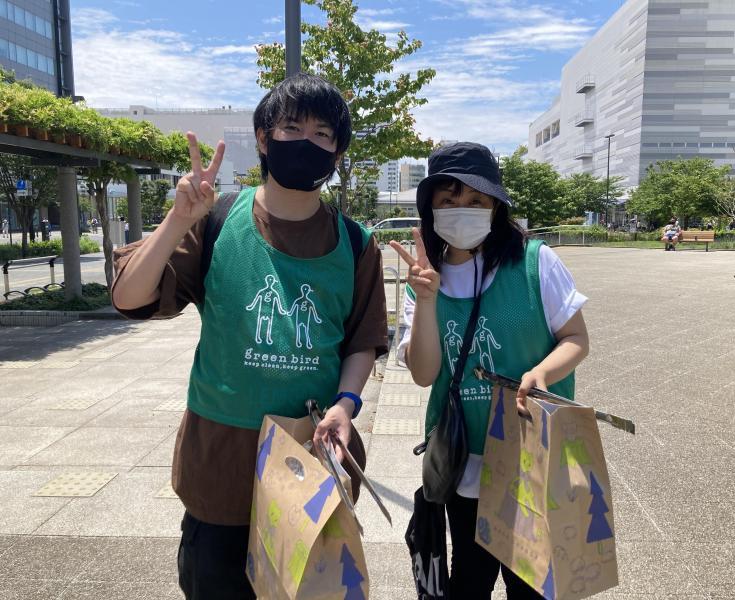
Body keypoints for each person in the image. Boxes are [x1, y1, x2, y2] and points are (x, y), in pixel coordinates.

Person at [111, 73, 388, 599]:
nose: (307, 142)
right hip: (220, 467)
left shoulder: (355, 244)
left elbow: (361, 341)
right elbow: (129, 297)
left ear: (337, 153)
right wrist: (177, 221)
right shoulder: (216, 220)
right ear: (263, 138)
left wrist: (346, 405)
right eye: (291, 128)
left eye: (323, 134)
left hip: (310, 462)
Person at [393, 142, 590, 600]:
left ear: (495, 207)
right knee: (469, 578)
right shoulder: (425, 277)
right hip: (465, 461)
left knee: (532, 584)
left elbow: (576, 339)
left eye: (476, 200)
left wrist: (541, 373)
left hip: (532, 455)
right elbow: (424, 374)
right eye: (448, 200)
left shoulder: (535, 262)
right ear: (431, 209)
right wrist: (426, 299)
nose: (462, 209)